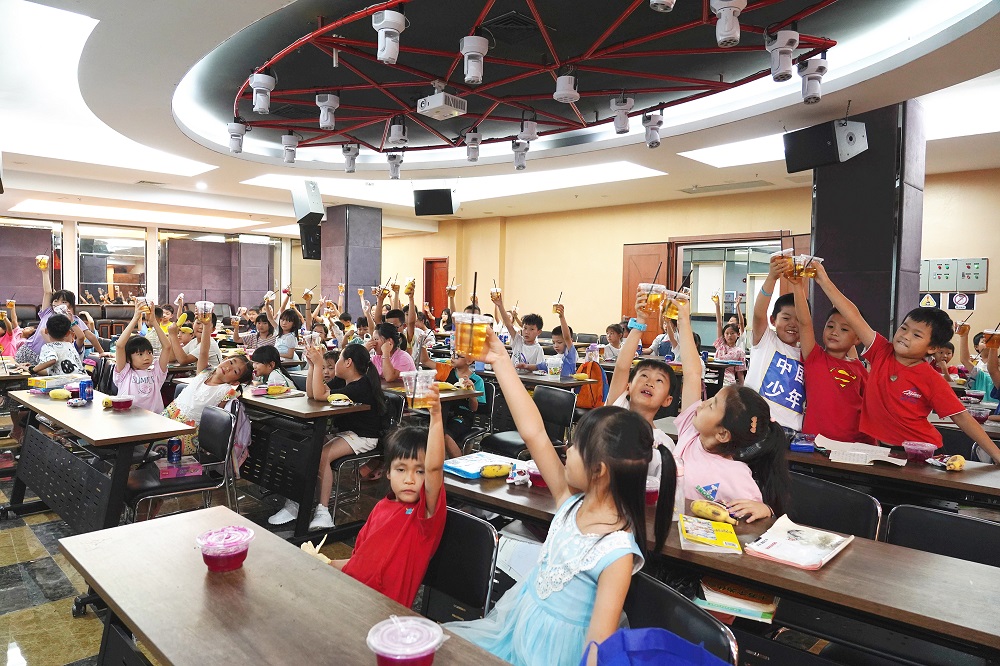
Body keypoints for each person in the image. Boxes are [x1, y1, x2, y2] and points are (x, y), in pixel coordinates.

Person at [447, 327, 675, 666]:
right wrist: (500, 360)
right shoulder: (571, 503)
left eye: (576, 446)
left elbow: (598, 647)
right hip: (519, 628)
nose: (566, 450)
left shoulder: (616, 552)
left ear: (599, 470)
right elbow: (534, 432)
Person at [812, 264, 1000, 462]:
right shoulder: (881, 352)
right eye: (903, 328)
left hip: (921, 454)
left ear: (932, 347)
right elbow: (853, 315)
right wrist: (823, 280)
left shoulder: (931, 378)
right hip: (883, 449)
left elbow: (961, 417)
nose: (905, 336)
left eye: (916, 335)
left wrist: (995, 454)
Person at [669, 294, 790, 519]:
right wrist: (683, 320)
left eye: (712, 405)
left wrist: (767, 511)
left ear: (723, 434)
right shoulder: (690, 433)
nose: (702, 403)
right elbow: (693, 373)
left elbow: (757, 522)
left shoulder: (736, 475)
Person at [269, 344, 387, 529]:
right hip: (346, 433)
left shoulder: (360, 386)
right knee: (306, 447)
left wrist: (318, 364)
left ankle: (323, 512)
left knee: (323, 455)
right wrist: (312, 366)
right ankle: (296, 502)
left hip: (363, 437)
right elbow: (312, 394)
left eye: (339, 359)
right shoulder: (342, 381)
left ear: (348, 363)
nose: (335, 364)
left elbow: (319, 395)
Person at [606, 289, 678, 480]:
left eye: (659, 380)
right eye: (644, 375)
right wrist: (640, 321)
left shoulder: (664, 444)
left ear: (668, 400)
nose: (649, 382)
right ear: (628, 387)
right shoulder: (617, 410)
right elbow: (622, 366)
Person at [788, 279, 872, 444]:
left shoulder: (859, 368)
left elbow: (870, 406)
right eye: (830, 326)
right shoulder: (814, 357)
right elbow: (804, 323)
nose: (834, 332)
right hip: (816, 442)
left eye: (844, 329)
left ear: (857, 338)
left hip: (853, 444)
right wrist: (797, 286)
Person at [162, 322, 253, 455]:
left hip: (184, 437)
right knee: (141, 438)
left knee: (144, 447)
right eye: (230, 362)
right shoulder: (204, 372)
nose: (228, 368)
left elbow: (216, 425)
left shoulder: (226, 391)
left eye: (235, 371)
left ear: (235, 381)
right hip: (167, 420)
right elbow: (203, 351)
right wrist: (206, 326)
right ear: (226, 358)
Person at [745, 254, 803, 433]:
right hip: (755, 424)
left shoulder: (808, 353)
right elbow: (758, 313)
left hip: (791, 431)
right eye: (786, 318)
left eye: (799, 319)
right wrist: (772, 278)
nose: (792, 324)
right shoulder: (766, 340)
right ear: (773, 320)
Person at [15, 257, 79, 367]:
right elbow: (47, 292)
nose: (58, 304)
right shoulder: (48, 312)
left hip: (50, 356)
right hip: (28, 351)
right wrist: (45, 272)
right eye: (56, 300)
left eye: (63, 301)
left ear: (71, 305)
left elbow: (78, 338)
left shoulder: (73, 320)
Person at [113, 303, 172, 412]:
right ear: (128, 358)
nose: (146, 358)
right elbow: (120, 346)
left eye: (149, 353)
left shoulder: (156, 374)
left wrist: (154, 322)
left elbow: (167, 346)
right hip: (128, 418)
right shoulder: (124, 374)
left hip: (153, 420)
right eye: (140, 354)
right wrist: (135, 318)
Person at [441, 353, 486, 458]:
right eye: (453, 354)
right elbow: (427, 361)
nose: (453, 358)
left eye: (457, 356)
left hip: (463, 416)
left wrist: (472, 393)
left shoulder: (477, 380)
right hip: (445, 412)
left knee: (443, 434)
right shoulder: (447, 373)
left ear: (469, 361)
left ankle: (458, 461)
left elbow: (474, 408)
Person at [713, 294, 746, 386]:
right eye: (727, 333)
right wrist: (717, 305)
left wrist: (742, 389)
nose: (729, 336)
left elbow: (740, 373)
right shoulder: (721, 344)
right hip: (713, 376)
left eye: (732, 333)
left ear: (737, 334)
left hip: (728, 379)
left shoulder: (739, 351)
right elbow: (719, 323)